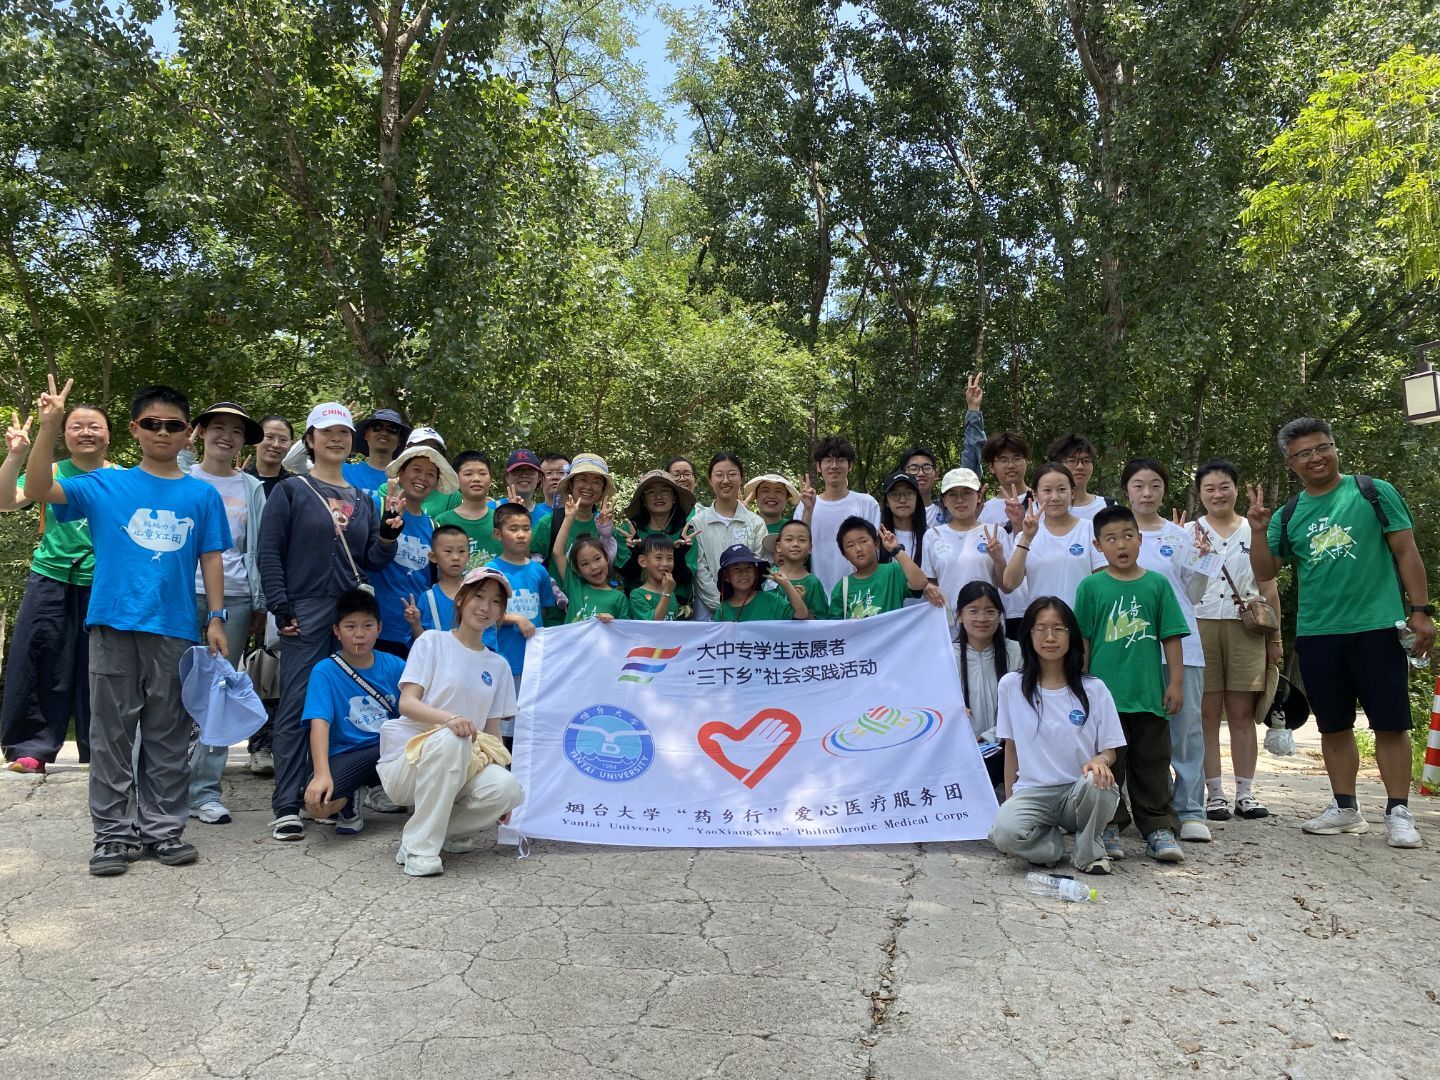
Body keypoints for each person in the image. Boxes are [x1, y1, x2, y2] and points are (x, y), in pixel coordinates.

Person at [25, 375, 231, 876]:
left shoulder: (201, 496)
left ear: (187, 433)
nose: (162, 432)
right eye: (152, 423)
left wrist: (217, 617)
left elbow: (211, 558)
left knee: (168, 733)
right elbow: (36, 488)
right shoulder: (103, 484)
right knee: (111, 734)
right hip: (112, 623)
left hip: (175, 628)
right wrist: (49, 428)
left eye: (173, 425)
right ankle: (112, 836)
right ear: (135, 429)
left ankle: (162, 830)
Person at [1248, 417, 1431, 848]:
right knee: (1333, 725)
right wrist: (1257, 531)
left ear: (1334, 448)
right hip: (1319, 632)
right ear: (1290, 463)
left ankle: (1398, 812)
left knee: (1390, 722)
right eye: (1303, 453)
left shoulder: (1372, 492)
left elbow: (1406, 550)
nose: (1315, 457)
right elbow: (1265, 571)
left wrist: (1420, 611)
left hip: (1377, 627)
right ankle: (1346, 808)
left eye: (1322, 447)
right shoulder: (1288, 514)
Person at [258, 402, 399, 842]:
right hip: (304, 608)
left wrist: (388, 536)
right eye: (326, 432)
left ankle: (338, 792)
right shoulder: (291, 490)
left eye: (343, 433)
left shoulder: (363, 499)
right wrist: (281, 606)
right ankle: (287, 804)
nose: (336, 439)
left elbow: (372, 559)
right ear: (310, 440)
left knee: (348, 703)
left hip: (349, 612)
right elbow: (269, 551)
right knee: (298, 704)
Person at [379, 566, 525, 877]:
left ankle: (438, 832)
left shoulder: (498, 666)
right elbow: (407, 703)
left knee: (509, 788)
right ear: (461, 599)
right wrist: (450, 719)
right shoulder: (432, 642)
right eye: (479, 596)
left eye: (496, 601)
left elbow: (492, 735)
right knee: (453, 738)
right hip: (408, 763)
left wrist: (502, 795)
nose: (486, 607)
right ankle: (419, 849)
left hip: (462, 764)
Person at [0, 402, 114, 773]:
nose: (86, 432)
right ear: (63, 434)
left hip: (104, 582)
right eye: (76, 426)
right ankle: (31, 747)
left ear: (109, 435)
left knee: (104, 667)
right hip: (51, 577)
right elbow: (5, 502)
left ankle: (104, 750)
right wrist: (16, 455)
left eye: (94, 426)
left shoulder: (124, 477)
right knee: (40, 659)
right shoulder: (48, 471)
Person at [1072, 505, 1189, 864]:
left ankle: (1158, 828)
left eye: (1127, 536)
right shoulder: (1091, 586)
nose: (1121, 545)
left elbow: (1171, 636)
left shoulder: (1157, 584)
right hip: (1105, 700)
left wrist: (1176, 683)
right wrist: (1081, 687)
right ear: (1098, 546)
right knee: (1110, 766)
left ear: (1140, 539)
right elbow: (1083, 640)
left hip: (1149, 695)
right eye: (1111, 539)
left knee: (1152, 764)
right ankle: (1109, 824)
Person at [989, 596, 1126, 876]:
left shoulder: (1094, 688)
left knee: (1098, 780)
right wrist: (1010, 800)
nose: (1049, 637)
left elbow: (1110, 748)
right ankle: (1049, 847)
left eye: (1058, 629)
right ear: (1028, 634)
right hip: (1033, 792)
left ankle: (1090, 852)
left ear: (1071, 635)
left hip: (1079, 791)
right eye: (1041, 628)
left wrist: (1099, 761)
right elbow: (1011, 748)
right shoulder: (1011, 686)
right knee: (1003, 833)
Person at [184, 402, 269, 828]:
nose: (227, 436)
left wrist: (259, 602)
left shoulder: (251, 487)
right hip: (181, 595)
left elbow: (259, 547)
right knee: (166, 691)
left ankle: (204, 791)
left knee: (219, 690)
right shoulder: (181, 477)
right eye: (218, 427)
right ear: (200, 432)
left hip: (234, 597)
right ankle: (155, 786)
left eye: (236, 431)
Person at [1122, 457, 1215, 844]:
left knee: (1186, 729)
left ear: (1165, 490)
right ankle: (1132, 809)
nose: (1147, 493)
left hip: (1181, 647)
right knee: (1132, 733)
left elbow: (1192, 595)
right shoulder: (1115, 534)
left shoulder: (1181, 536)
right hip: (1129, 649)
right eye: (1139, 485)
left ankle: (1190, 808)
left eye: (1155, 485)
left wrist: (1203, 559)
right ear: (1126, 490)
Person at [1194, 459, 1282, 821]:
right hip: (1200, 625)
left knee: (1242, 713)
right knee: (1207, 714)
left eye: (1224, 486)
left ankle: (1245, 793)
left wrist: (1276, 640)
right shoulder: (1190, 531)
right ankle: (1214, 793)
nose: (1218, 494)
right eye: (1209, 488)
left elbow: (1269, 587)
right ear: (1200, 494)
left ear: (1235, 488)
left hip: (1247, 627)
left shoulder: (1254, 529)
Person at [301, 588, 405, 837]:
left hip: (390, 749)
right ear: (336, 630)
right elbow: (319, 724)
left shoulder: (396, 665)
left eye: (367, 625)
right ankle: (353, 795)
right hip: (346, 753)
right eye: (350, 626)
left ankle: (384, 788)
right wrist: (322, 774)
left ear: (379, 628)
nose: (360, 634)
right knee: (319, 806)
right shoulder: (324, 671)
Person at [372, 442, 459, 658]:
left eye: (430, 474)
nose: (422, 478)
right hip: (374, 625)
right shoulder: (376, 507)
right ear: (401, 473)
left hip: (417, 629)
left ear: (436, 484)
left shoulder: (433, 527)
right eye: (416, 470)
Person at [481, 503, 556, 737]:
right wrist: (515, 618)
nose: (521, 534)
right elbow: (483, 612)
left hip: (534, 662)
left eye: (526, 528)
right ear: (498, 534)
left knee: (530, 725)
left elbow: (545, 612)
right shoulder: (491, 570)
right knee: (503, 727)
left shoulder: (539, 571)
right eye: (513, 529)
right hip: (505, 659)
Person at [1001, 462, 1104, 611]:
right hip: (1040, 621)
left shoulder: (1090, 530)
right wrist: (1026, 539)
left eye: (1062, 489)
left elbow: (1102, 581)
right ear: (1036, 495)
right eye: (1047, 490)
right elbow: (1009, 583)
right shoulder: (1026, 536)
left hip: (1082, 620)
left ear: (1072, 492)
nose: (1055, 497)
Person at [952, 581, 1021, 790]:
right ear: (959, 615)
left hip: (1009, 748)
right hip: (960, 751)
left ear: (1000, 615)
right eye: (973, 611)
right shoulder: (946, 657)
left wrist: (988, 736)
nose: (982, 619)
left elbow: (1024, 706)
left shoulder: (1017, 652)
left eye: (990, 611)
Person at [793, 435, 882, 594]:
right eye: (828, 460)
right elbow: (798, 549)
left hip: (859, 593)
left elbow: (874, 551)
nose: (834, 466)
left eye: (840, 460)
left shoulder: (867, 503)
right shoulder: (805, 505)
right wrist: (808, 509)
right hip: (817, 593)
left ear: (850, 465)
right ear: (819, 466)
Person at [921, 468, 1006, 620]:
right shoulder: (932, 535)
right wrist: (928, 588)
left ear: (979, 496)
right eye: (952, 494)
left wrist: (999, 559)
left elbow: (1007, 586)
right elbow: (930, 580)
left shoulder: (996, 533)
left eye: (967, 493)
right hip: (947, 622)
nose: (960, 500)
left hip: (986, 621)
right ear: (944, 501)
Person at [690, 453, 767, 621]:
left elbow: (760, 563)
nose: (725, 480)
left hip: (750, 606)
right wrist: (722, 603)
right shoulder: (697, 523)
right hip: (707, 609)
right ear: (710, 480)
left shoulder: (756, 523)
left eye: (732, 474)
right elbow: (699, 569)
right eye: (719, 475)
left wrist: (741, 602)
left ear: (741, 479)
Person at [830, 517, 941, 620]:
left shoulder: (893, 571)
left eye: (863, 541)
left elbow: (920, 583)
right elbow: (833, 626)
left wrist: (896, 550)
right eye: (850, 545)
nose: (858, 549)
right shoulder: (842, 587)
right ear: (845, 555)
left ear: (876, 544)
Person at [978, 431, 1032, 634]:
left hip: (1038, 601)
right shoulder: (984, 511)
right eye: (1003, 460)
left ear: (1026, 462)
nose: (1011, 465)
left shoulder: (1042, 503)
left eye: (1017, 458)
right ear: (991, 467)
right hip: (1000, 608)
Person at [617, 469, 695, 605]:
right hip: (638, 607)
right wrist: (635, 553)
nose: (658, 496)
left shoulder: (686, 532)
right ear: (643, 499)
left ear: (675, 497)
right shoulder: (629, 530)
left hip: (678, 607)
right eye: (651, 492)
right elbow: (624, 573)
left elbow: (686, 578)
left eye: (665, 491)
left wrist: (680, 554)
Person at [531, 453, 619, 568]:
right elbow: (531, 565)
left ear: (602, 489)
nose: (588, 486)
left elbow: (612, 569)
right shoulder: (549, 522)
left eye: (596, 482)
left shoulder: (605, 525)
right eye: (582, 479)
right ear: (570, 485)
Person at [433, 451, 503, 567]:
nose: (476, 479)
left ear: (490, 479)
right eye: (468, 474)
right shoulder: (442, 521)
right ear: (456, 480)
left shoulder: (502, 520)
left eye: (482, 473)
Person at [552, 519, 628, 623]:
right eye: (585, 564)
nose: (593, 567)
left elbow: (625, 630)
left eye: (597, 559)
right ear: (578, 570)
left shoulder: (619, 598)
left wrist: (612, 622)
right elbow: (557, 552)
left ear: (607, 558)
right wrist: (569, 516)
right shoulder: (575, 586)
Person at [402, 523, 470, 638]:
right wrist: (415, 623)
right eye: (448, 551)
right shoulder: (428, 598)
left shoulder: (477, 594)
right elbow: (422, 643)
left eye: (461, 551)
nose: (456, 557)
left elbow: (488, 638)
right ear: (433, 557)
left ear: (468, 556)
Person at [713, 544, 809, 622]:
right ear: (726, 576)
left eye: (748, 568)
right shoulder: (722, 611)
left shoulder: (771, 601)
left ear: (755, 572)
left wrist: (786, 584)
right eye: (737, 569)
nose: (744, 573)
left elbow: (801, 614)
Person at [765, 518, 829, 620]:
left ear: (810, 548)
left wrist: (800, 603)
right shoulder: (767, 575)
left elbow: (820, 623)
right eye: (789, 539)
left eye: (802, 540)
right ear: (778, 547)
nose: (795, 544)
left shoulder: (813, 583)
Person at [344, 408, 409, 497]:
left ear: (399, 440)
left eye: (393, 429)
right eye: (377, 427)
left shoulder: (408, 480)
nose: (384, 433)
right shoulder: (344, 471)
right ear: (366, 434)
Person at [1046, 433, 1111, 520]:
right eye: (1072, 460)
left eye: (1086, 461)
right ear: (1057, 465)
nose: (1080, 467)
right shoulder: (1041, 509)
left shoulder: (1107, 506)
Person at [628, 534, 683, 621]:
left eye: (670, 558)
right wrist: (666, 594)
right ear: (643, 561)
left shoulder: (671, 593)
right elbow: (653, 624)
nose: (665, 563)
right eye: (658, 557)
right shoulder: (637, 594)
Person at [879, 471, 928, 567]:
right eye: (895, 494)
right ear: (887, 502)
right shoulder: (877, 538)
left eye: (909, 493)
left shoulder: (929, 536)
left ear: (917, 499)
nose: (902, 500)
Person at [245, 415, 295, 496]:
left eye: (283, 440)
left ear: (290, 445)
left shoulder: (296, 485)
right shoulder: (240, 480)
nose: (276, 445)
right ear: (256, 439)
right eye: (269, 437)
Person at [502, 449, 550, 525]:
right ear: (507, 477)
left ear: (539, 477)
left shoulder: (546, 518)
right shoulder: (491, 509)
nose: (524, 475)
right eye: (517, 470)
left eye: (530, 470)